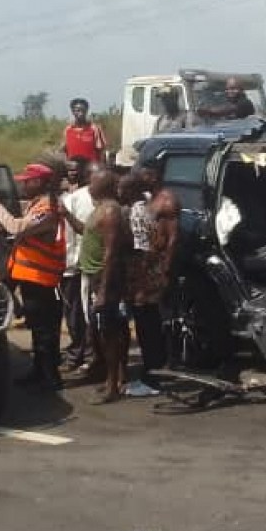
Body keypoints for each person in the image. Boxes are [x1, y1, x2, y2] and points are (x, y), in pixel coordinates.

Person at [0, 163, 66, 391]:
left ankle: (50, 378)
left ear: (40, 182)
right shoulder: (38, 204)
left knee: (45, 332)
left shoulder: (47, 208)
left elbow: (17, 227)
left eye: (28, 181)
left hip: (42, 279)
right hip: (32, 277)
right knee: (37, 328)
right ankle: (39, 372)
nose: (23, 185)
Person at [122, 163, 180, 397]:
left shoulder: (167, 200)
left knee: (150, 324)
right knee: (144, 322)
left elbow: (172, 239)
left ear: (154, 176)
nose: (139, 176)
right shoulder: (149, 199)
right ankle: (151, 371)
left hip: (153, 270)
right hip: (144, 268)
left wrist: (164, 270)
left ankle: (154, 377)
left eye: (143, 173)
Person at [78, 170, 129, 404]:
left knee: (108, 333)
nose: (89, 185)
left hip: (105, 278)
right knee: (107, 330)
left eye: (92, 182)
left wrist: (103, 291)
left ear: (103, 186)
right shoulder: (100, 208)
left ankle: (112, 385)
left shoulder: (110, 211)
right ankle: (115, 378)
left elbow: (111, 253)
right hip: (96, 276)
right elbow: (88, 233)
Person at [58, 159, 99, 372]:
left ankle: (91, 356)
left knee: (92, 314)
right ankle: (77, 353)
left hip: (97, 267)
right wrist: (69, 264)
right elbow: (68, 236)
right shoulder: (74, 199)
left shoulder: (111, 200)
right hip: (75, 266)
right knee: (75, 314)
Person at [62, 98, 108, 165]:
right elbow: (63, 150)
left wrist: (101, 166)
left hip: (90, 166)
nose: (81, 113)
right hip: (72, 165)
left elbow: (101, 150)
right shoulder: (68, 130)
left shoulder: (94, 129)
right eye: (78, 111)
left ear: (86, 111)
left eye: (83, 110)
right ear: (73, 112)